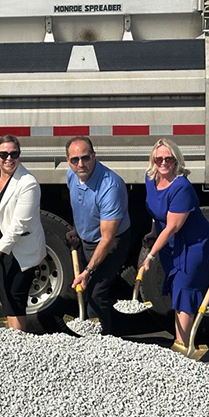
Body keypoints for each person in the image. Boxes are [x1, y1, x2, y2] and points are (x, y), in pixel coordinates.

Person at [140, 138, 209, 346]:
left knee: (184, 291)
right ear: (153, 160)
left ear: (176, 160)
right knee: (177, 291)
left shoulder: (181, 187)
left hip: (192, 245)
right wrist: (153, 232)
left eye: (169, 159)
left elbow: (172, 226)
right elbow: (157, 213)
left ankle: (182, 347)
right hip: (171, 246)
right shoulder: (151, 179)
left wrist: (150, 256)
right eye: (159, 159)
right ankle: (182, 344)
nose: (164, 163)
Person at [65, 136, 131, 335]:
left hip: (111, 242)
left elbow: (108, 238)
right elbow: (79, 203)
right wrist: (76, 229)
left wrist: (88, 271)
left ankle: (101, 341)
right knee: (83, 289)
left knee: (95, 291)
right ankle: (90, 335)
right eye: (75, 159)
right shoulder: (71, 175)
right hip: (88, 238)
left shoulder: (110, 186)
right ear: (68, 161)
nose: (80, 164)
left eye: (85, 158)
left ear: (94, 156)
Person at [0, 136, 46, 331]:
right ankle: (12, 337)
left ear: (19, 155)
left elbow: (18, 225)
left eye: (14, 154)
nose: (9, 158)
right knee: (5, 295)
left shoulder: (28, 183)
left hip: (19, 249)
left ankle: (19, 340)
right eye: (4, 154)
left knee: (15, 298)